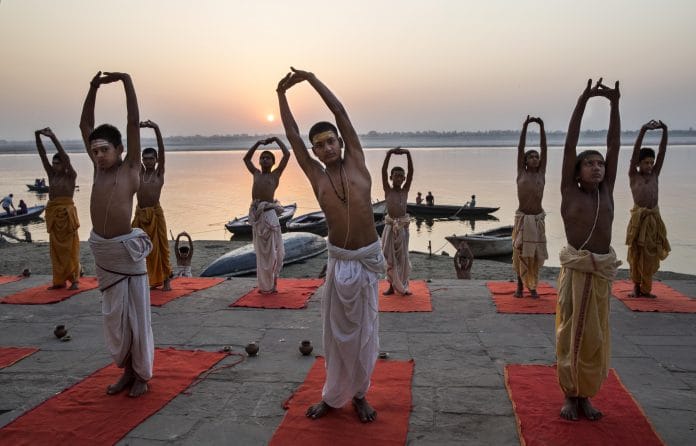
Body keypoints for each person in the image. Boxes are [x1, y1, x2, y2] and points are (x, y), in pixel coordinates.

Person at [277, 67, 385, 423]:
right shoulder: (317, 176)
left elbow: (340, 111)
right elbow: (292, 137)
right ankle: (333, 395)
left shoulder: (357, 163)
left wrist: (310, 80)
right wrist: (282, 95)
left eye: (330, 141)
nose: (325, 148)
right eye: (319, 145)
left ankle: (359, 395)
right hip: (340, 261)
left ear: (341, 142)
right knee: (337, 336)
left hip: (366, 258)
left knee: (365, 335)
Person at [80, 71, 153, 398]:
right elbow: (85, 125)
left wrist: (125, 81)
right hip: (104, 253)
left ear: (121, 149)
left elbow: (133, 120)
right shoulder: (98, 169)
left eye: (104, 150)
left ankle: (141, 375)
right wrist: (93, 87)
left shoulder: (131, 168)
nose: (98, 156)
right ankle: (125, 371)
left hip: (126, 253)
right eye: (94, 151)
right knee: (115, 318)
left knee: (136, 318)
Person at [557, 78, 623, 421]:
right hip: (578, 271)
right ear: (578, 172)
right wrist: (584, 99)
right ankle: (571, 394)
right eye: (590, 164)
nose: (597, 167)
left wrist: (614, 104)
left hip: (601, 272)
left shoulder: (606, 191)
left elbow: (615, 143)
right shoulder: (571, 192)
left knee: (595, 335)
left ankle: (587, 395)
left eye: (600, 164)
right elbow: (570, 143)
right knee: (571, 332)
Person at [626, 120, 670, 298]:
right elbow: (635, 151)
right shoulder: (633, 175)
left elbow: (662, 152)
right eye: (646, 163)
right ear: (638, 164)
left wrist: (665, 130)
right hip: (639, 218)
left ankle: (646, 288)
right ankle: (636, 287)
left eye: (651, 163)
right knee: (637, 252)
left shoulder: (655, 174)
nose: (650, 166)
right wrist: (643, 130)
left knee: (651, 253)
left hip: (653, 219)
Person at [243, 137, 291, 293]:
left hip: (270, 215)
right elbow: (246, 158)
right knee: (261, 254)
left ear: (273, 162)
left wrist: (276, 139)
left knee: (275, 252)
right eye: (262, 158)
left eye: (268, 158)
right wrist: (258, 143)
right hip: (257, 216)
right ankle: (264, 285)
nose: (264, 159)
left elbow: (287, 155)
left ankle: (274, 283)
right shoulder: (255, 173)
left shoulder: (275, 175)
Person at [35, 127, 81, 290]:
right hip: (54, 216)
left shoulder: (71, 176)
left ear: (63, 164)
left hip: (67, 216)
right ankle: (59, 281)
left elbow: (66, 158)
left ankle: (75, 279)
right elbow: (42, 155)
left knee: (70, 249)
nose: (55, 165)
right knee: (55, 251)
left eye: (58, 163)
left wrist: (53, 137)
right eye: (53, 163)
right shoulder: (51, 175)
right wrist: (38, 137)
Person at [132, 120, 172, 291]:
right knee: (139, 245)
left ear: (156, 160)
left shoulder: (158, 173)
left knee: (161, 246)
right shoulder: (139, 172)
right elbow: (133, 151)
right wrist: (136, 131)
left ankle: (166, 280)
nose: (148, 161)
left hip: (155, 213)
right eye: (145, 159)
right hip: (140, 213)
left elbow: (162, 150)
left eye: (151, 159)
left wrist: (156, 128)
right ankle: (146, 279)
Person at [512, 116, 548, 299]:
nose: (534, 159)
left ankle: (532, 287)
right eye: (531, 157)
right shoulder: (521, 173)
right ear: (525, 161)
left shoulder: (541, 174)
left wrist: (541, 127)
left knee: (534, 255)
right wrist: (525, 126)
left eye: (536, 157)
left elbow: (545, 148)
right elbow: (520, 149)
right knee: (520, 253)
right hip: (523, 219)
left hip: (537, 219)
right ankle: (519, 286)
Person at [381, 147, 413, 295]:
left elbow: (411, 172)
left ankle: (404, 284)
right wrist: (389, 154)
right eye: (396, 176)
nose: (399, 178)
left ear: (404, 179)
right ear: (391, 177)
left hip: (402, 227)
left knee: (403, 258)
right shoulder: (388, 190)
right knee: (390, 259)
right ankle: (392, 286)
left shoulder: (405, 190)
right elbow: (383, 171)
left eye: (401, 176)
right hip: (390, 226)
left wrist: (408, 154)